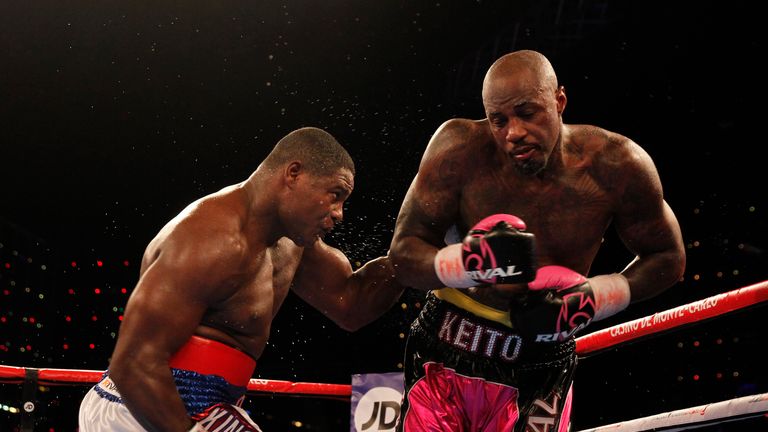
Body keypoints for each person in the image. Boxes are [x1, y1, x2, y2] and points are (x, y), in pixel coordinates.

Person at [388, 49, 686, 431]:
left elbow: (668, 257)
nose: (513, 133)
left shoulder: (617, 165)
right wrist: (468, 265)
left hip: (542, 359)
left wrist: (596, 297)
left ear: (559, 100)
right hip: (448, 343)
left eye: (527, 113)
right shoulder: (458, 151)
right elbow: (402, 255)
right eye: (499, 121)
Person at [78, 127, 405, 432]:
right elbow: (133, 365)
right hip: (137, 407)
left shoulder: (292, 243)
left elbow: (351, 303)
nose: (339, 213)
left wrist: (421, 250)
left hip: (213, 408)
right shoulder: (210, 239)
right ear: (293, 174)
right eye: (334, 194)